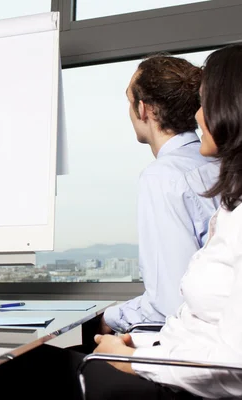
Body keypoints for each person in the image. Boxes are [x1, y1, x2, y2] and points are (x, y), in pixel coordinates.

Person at [0, 41, 242, 400]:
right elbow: (209, 327)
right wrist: (143, 348)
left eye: (208, 102)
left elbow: (238, 368)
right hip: (173, 366)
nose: (198, 115)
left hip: (178, 384)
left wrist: (132, 359)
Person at [99, 55, 220, 335]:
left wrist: (108, 318)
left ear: (144, 109)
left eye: (129, 100)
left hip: (183, 350)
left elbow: (169, 304)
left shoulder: (164, 177)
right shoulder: (218, 164)